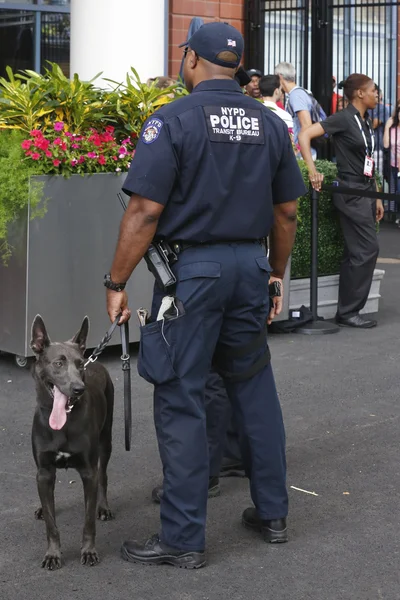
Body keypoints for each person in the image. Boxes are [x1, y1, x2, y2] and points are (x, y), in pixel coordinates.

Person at [105, 21, 305, 568]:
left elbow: (144, 211)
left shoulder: (172, 120)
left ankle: (183, 537)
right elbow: (286, 210)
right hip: (250, 265)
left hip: (192, 273)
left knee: (179, 393)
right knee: (252, 386)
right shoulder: (269, 122)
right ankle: (273, 513)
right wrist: (275, 275)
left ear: (191, 59)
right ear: (236, 65)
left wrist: (116, 283)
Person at [299, 73, 384, 329]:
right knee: (368, 250)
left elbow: (367, 162)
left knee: (355, 252)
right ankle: (349, 311)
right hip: (351, 193)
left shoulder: (365, 122)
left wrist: (378, 195)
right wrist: (312, 170)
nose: (377, 95)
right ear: (360, 93)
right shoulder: (344, 119)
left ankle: (347, 310)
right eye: (373, 91)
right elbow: (304, 135)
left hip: (367, 191)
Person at [275, 61, 326, 160]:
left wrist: (297, 150)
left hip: (302, 154)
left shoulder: (296, 95)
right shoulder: (301, 93)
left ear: (280, 76)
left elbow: (306, 126)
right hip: (304, 151)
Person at [383, 101, 400, 223]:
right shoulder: (393, 129)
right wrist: (387, 127)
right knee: (393, 190)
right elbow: (386, 144)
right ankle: (394, 216)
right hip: (394, 165)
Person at [372, 86, 392, 175]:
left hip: (377, 147)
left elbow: (374, 124)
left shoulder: (381, 108)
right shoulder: (367, 107)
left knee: (377, 175)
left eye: (376, 93)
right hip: (364, 147)